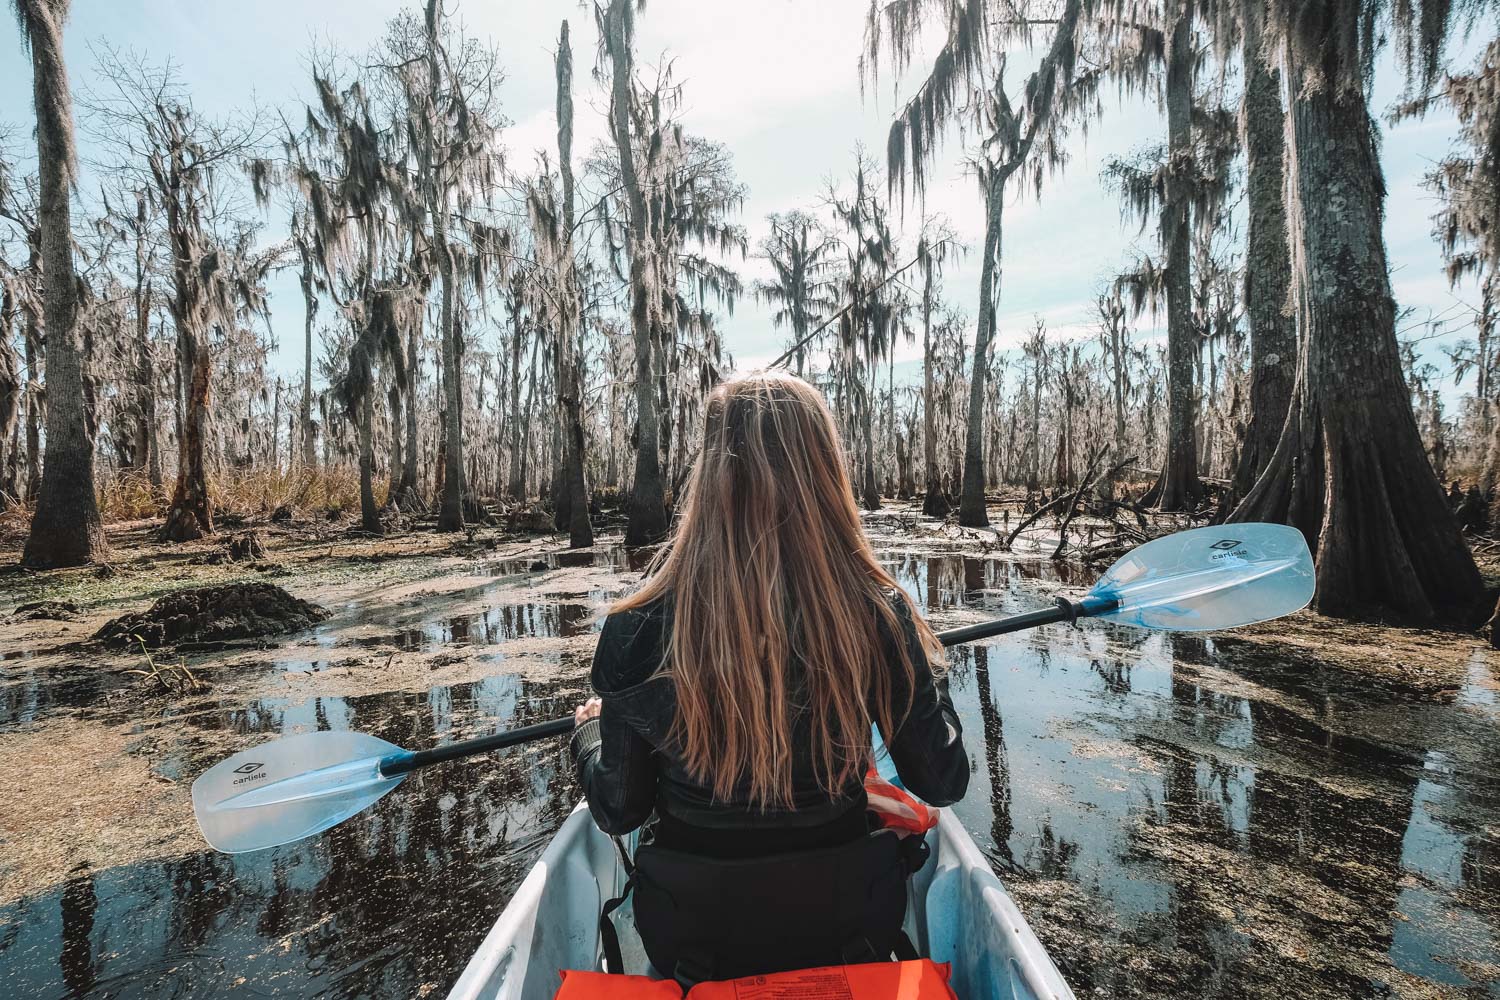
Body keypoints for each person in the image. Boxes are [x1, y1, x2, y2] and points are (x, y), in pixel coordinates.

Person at [570, 370, 968, 982]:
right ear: (823, 478)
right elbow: (941, 779)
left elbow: (621, 809)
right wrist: (923, 658)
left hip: (691, 933)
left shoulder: (639, 624)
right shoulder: (874, 612)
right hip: (847, 922)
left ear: (709, 479)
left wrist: (588, 736)